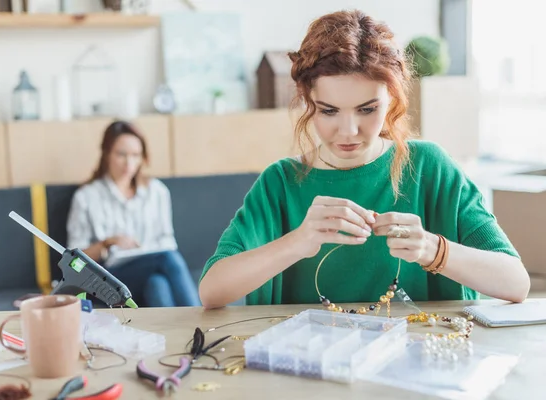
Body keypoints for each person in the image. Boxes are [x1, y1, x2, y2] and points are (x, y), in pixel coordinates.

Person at [199, 10, 530, 309]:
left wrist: (432, 249)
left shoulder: (430, 166)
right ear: (306, 100)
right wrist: (298, 242)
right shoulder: (280, 182)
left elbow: (516, 283)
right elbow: (212, 291)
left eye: (367, 109)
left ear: (393, 99)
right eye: (328, 111)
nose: (348, 131)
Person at [66, 120, 200, 307]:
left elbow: (167, 240)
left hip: (150, 272)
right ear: (106, 154)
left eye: (136, 155)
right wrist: (107, 243)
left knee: (157, 283)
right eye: (121, 155)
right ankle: (204, 322)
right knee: (168, 259)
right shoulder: (86, 196)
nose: (129, 163)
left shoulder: (157, 192)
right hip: (110, 278)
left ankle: (173, 336)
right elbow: (74, 259)